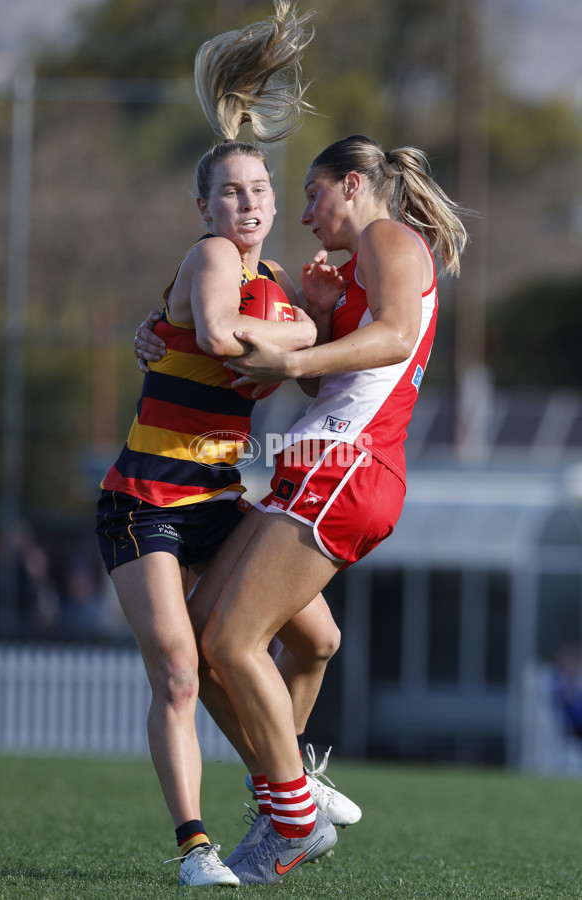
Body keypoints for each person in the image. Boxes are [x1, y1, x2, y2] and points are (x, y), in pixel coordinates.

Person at [96, 1, 358, 888]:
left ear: (274, 203)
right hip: (146, 499)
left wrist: (315, 325)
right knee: (178, 669)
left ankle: (287, 788)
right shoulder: (213, 257)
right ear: (205, 205)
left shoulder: (282, 282)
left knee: (315, 638)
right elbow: (213, 336)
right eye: (229, 193)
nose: (246, 205)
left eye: (258, 192)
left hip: (216, 495)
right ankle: (197, 848)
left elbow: (316, 376)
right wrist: (296, 349)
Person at [186, 134, 469, 884]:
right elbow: (340, 376)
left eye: (312, 194)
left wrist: (296, 357)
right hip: (317, 466)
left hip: (348, 468)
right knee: (204, 638)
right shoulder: (351, 272)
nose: (304, 213)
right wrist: (318, 314)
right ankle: (289, 794)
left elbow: (398, 336)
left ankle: (292, 818)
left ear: (352, 186)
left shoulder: (387, 235)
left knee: (231, 641)